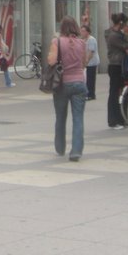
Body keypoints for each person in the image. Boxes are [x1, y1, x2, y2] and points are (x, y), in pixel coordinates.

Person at [49, 16, 91, 161]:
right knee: (78, 118)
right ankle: (76, 151)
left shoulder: (57, 41)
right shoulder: (82, 43)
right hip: (79, 83)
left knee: (60, 117)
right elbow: (84, 63)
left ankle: (60, 147)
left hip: (61, 84)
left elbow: (51, 61)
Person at [104, 12, 128, 129]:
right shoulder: (114, 36)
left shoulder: (114, 33)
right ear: (121, 23)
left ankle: (122, 118)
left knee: (124, 92)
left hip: (119, 65)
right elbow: (127, 48)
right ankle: (114, 120)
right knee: (115, 93)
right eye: (125, 24)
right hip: (116, 65)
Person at [84, 22, 99, 101]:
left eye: (83, 31)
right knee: (88, 78)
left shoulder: (91, 39)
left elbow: (91, 51)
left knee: (90, 78)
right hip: (88, 62)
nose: (82, 32)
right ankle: (90, 93)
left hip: (92, 62)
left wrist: (86, 61)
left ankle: (91, 94)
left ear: (88, 31)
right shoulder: (84, 39)